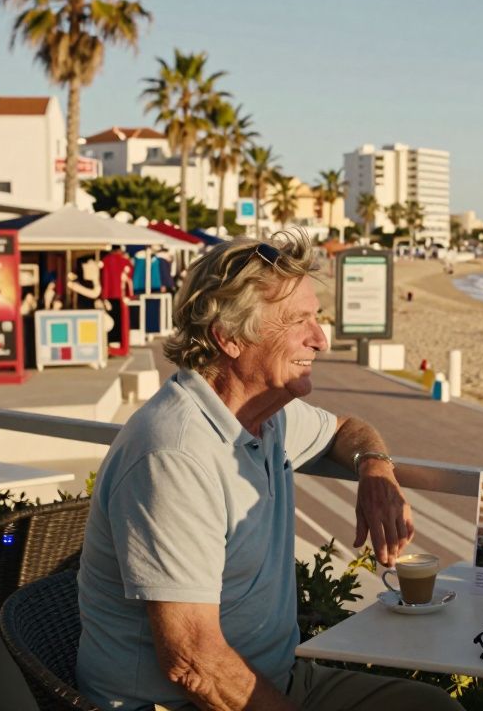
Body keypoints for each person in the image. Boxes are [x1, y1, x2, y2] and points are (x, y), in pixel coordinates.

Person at [77, 232, 460, 711]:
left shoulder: (264, 415)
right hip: (184, 701)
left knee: (431, 707)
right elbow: (193, 663)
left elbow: (348, 428)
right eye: (299, 321)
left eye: (315, 317)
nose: (321, 339)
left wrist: (375, 471)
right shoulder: (174, 455)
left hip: (274, 677)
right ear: (230, 337)